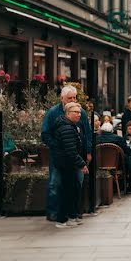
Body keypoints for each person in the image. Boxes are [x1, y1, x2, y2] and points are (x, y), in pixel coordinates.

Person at [41, 86, 92, 221]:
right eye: (70, 98)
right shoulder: (53, 112)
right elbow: (45, 134)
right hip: (60, 156)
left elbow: (87, 133)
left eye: (75, 97)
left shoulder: (81, 112)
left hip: (77, 155)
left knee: (77, 182)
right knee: (55, 183)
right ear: (62, 98)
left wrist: (88, 151)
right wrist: (57, 146)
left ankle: (75, 211)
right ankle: (53, 212)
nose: (73, 100)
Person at [52, 103, 89, 228]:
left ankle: (72, 216)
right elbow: (71, 151)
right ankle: (63, 220)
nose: (79, 114)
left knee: (72, 191)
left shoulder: (70, 126)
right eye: (76, 112)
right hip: (66, 164)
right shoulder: (67, 128)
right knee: (67, 192)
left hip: (68, 164)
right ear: (68, 113)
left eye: (79, 112)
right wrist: (82, 164)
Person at [97, 121, 131, 194]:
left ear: (102, 130)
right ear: (112, 130)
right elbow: (128, 152)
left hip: (99, 164)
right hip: (117, 164)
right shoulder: (118, 139)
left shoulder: (96, 139)